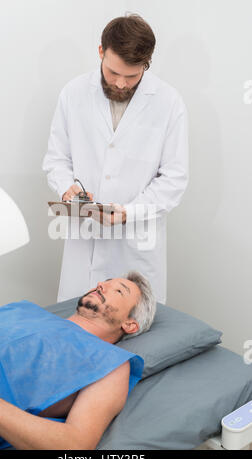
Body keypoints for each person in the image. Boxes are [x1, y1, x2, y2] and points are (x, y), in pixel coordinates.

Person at [42, 14, 189, 305]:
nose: (121, 83)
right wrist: (66, 188)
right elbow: (56, 160)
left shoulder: (169, 102)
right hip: (84, 240)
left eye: (132, 76)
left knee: (134, 333)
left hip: (136, 244)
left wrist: (129, 213)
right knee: (78, 327)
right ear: (100, 52)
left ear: (147, 64)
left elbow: (174, 179)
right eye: (113, 72)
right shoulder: (73, 94)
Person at [0, 271, 156, 450]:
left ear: (130, 324)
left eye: (119, 291)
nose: (101, 285)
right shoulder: (24, 310)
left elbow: (76, 444)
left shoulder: (112, 364)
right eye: (105, 282)